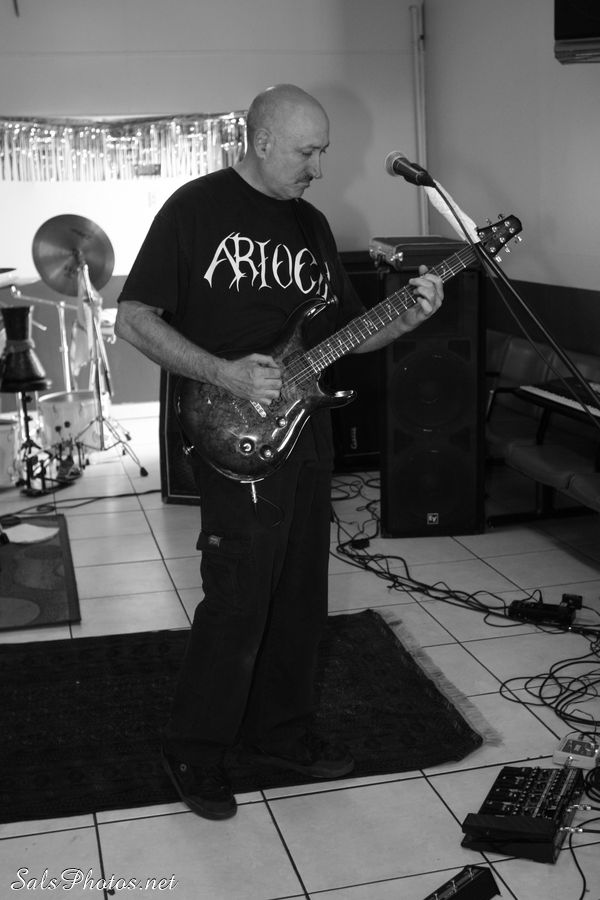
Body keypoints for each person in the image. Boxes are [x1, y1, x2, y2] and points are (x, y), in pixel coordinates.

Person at [115, 83, 443, 821]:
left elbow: (348, 334)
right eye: (307, 151)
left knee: (299, 592)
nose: (318, 167)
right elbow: (133, 319)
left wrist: (407, 319)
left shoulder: (312, 225)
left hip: (305, 432)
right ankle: (194, 748)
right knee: (239, 594)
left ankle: (282, 732)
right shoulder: (195, 210)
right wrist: (224, 372)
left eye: (323, 151)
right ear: (262, 141)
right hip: (230, 427)